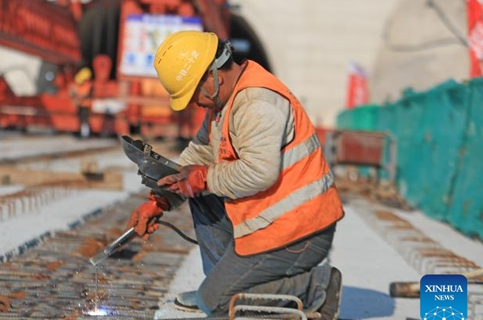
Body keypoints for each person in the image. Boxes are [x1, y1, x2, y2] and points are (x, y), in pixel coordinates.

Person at [127, 30, 344, 319]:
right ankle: (224, 286)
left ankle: (316, 286)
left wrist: (202, 178)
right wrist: (159, 201)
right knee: (198, 194)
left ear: (211, 76)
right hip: (270, 226)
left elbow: (259, 172)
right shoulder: (223, 103)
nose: (194, 104)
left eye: (193, 94)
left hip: (299, 233)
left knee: (218, 306)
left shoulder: (258, 103)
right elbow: (200, 154)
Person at [70, 67, 93, 138]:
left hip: (85, 105)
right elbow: (74, 92)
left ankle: (85, 134)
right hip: (81, 104)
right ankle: (82, 133)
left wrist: (78, 97)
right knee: (81, 119)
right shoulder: (80, 85)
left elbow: (86, 94)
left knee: (84, 120)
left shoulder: (88, 85)